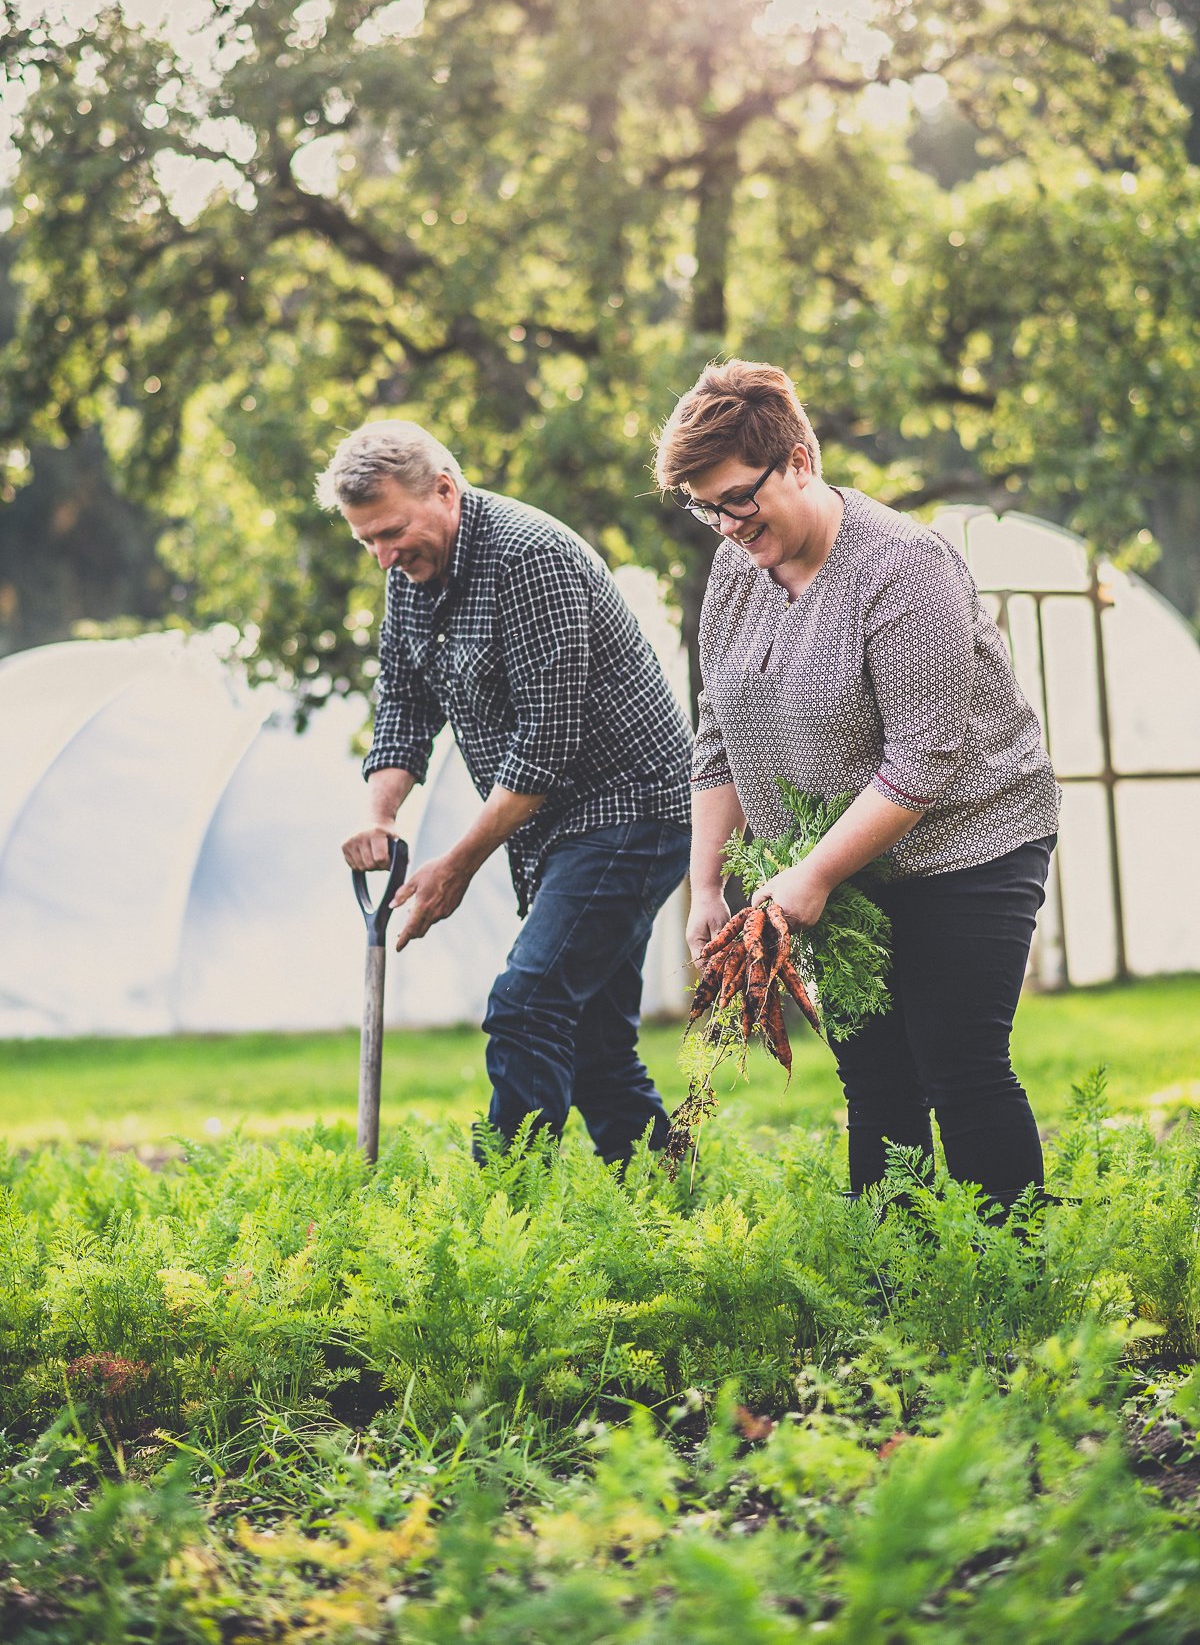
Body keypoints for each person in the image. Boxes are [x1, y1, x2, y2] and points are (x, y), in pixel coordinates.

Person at [654, 360, 1061, 1209]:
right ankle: (896, 1298)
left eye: (735, 496)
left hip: (968, 841)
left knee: (957, 1062)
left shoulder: (903, 568)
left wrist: (813, 876)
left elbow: (922, 760)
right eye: (705, 506)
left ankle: (1014, 1288)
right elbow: (720, 733)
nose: (726, 524)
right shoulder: (736, 570)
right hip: (831, 865)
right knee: (875, 1077)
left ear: (799, 460)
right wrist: (704, 885)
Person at [315, 420, 693, 1164]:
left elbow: (543, 750)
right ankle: (672, 1213)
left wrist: (454, 866)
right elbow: (404, 703)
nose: (385, 556)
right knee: (592, 1045)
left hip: (632, 808)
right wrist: (378, 814)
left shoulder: (529, 559)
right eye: (368, 542)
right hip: (560, 824)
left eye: (392, 531)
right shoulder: (411, 578)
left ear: (446, 490)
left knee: (528, 1003)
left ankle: (505, 1218)